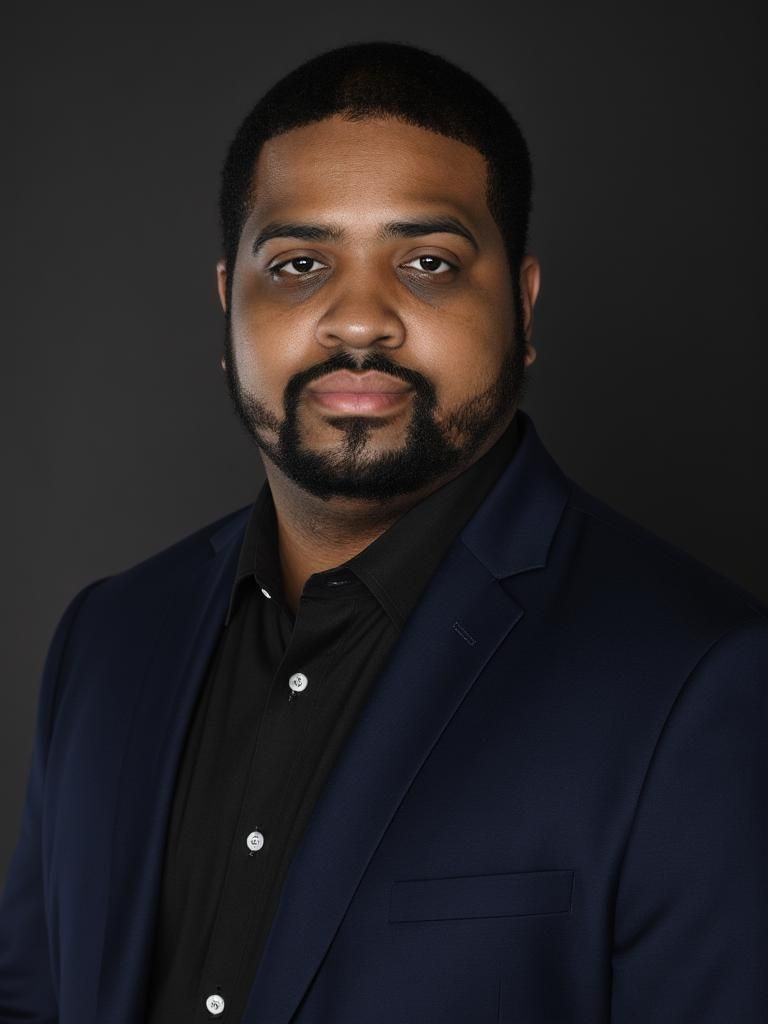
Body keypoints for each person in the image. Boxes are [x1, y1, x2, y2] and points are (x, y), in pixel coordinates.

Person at [1, 39, 766, 1024]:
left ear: (523, 307)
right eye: (300, 263)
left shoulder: (703, 680)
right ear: (228, 302)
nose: (358, 320)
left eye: (428, 262)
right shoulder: (106, 640)